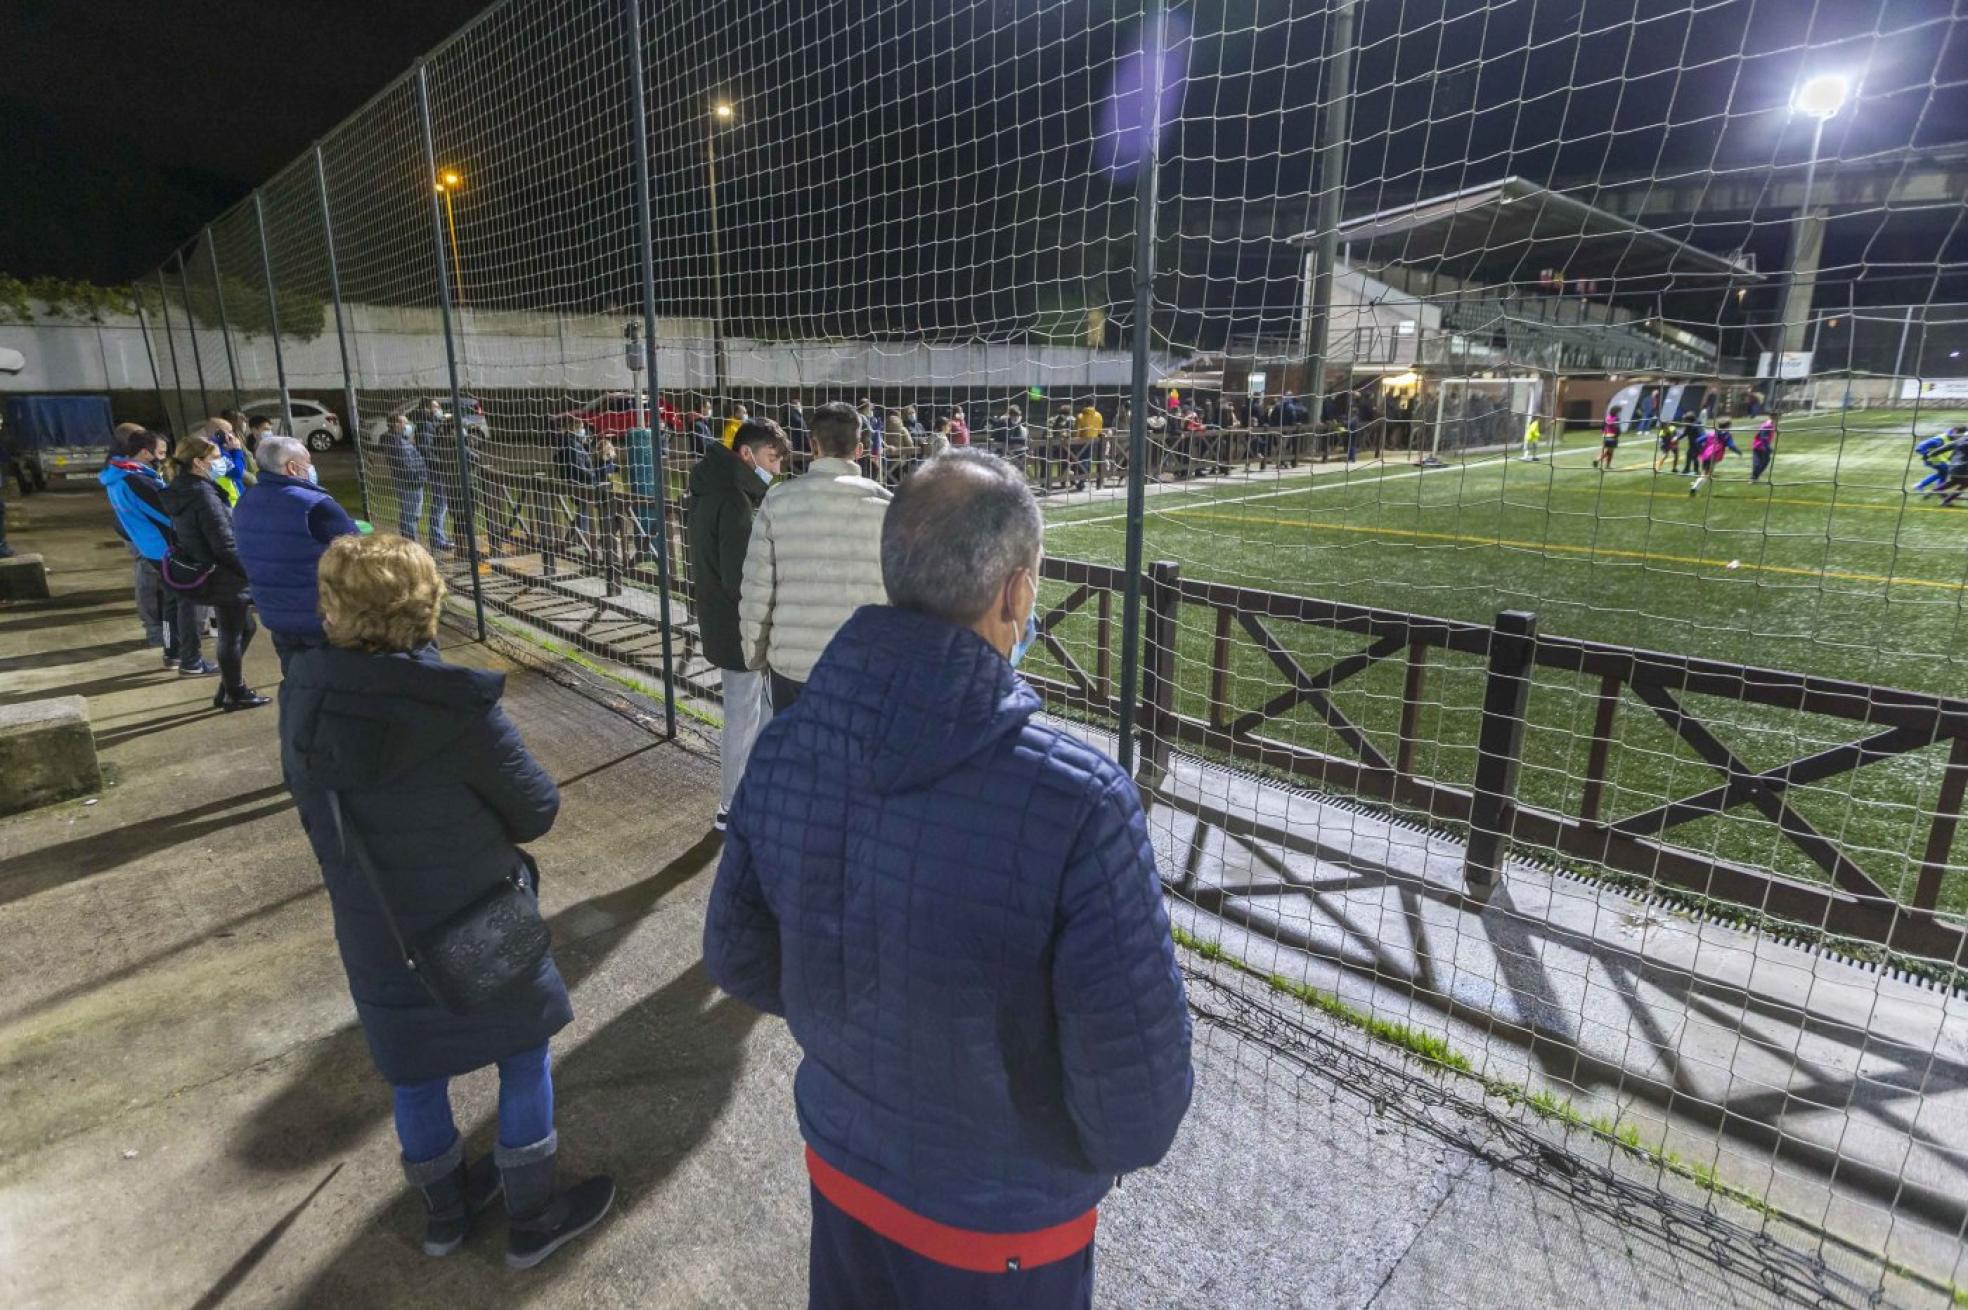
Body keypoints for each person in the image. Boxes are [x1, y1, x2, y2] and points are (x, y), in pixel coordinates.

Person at [705, 450, 1193, 1310]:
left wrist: (859, 1026)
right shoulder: (1079, 803)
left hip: (846, 1164)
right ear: (1015, 594)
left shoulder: (786, 746)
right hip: (1004, 1226)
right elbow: (1137, 1110)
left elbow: (738, 958)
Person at [280, 533, 613, 1269]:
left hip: (377, 925)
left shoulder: (302, 695)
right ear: (424, 603)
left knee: (415, 1068)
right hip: (475, 917)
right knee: (522, 1056)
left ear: (335, 607)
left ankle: (445, 1213)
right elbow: (535, 810)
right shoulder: (455, 706)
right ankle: (532, 1216)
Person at [739, 400, 891, 711]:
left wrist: (754, 653)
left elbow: (757, 587)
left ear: (812, 445)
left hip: (794, 667)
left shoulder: (778, 500)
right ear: (860, 449)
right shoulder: (888, 507)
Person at [687, 418, 790, 831]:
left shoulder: (711, 487)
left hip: (723, 620)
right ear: (746, 454)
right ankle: (731, 806)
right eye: (771, 458)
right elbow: (740, 578)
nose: (777, 469)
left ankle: (752, 791)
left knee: (757, 710)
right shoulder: (735, 500)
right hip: (740, 628)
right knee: (743, 715)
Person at [233, 434, 359, 671]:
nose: (311, 467)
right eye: (308, 461)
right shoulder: (315, 505)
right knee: (334, 684)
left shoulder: (245, 501)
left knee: (296, 681)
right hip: (320, 617)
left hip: (275, 613)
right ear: (292, 467)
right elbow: (357, 554)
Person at [160, 435, 267, 710]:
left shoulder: (183, 489)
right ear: (198, 462)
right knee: (234, 633)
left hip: (210, 570)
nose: (220, 462)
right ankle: (234, 692)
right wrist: (252, 574)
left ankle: (229, 688)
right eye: (215, 458)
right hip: (222, 575)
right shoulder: (202, 495)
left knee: (244, 628)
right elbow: (224, 544)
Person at [100, 426, 208, 672]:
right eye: (160, 452)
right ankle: (190, 658)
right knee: (186, 602)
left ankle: (172, 653)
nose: (163, 457)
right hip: (165, 548)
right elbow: (168, 514)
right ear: (144, 452)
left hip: (150, 547)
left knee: (171, 602)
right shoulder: (136, 480)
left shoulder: (117, 474)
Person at [413, 401, 457, 552]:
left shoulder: (435, 424)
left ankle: (439, 537)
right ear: (429, 409)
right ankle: (437, 539)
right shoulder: (426, 425)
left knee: (441, 504)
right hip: (436, 470)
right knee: (440, 504)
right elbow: (427, 451)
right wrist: (443, 462)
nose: (439, 410)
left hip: (439, 469)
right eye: (436, 407)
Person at [382, 412, 432, 543]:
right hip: (411, 484)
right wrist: (420, 477)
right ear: (396, 424)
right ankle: (410, 545)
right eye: (405, 423)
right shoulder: (397, 442)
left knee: (409, 515)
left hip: (408, 482)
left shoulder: (398, 440)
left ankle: (407, 544)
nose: (408, 425)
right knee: (411, 516)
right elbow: (406, 465)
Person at [1688, 419, 1737, 495]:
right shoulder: (1727, 435)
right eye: (1729, 426)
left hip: (1706, 455)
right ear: (1727, 426)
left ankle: (1695, 485)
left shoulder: (1712, 433)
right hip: (1713, 456)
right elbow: (1731, 445)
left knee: (1705, 473)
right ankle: (1694, 488)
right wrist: (1738, 452)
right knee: (1705, 475)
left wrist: (1701, 449)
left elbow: (1698, 440)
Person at [1073, 400, 1103, 490]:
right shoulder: (1098, 415)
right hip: (1094, 440)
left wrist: (1074, 440)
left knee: (1081, 459)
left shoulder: (1080, 416)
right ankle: (1085, 479)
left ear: (1084, 404)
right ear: (1094, 404)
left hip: (1082, 441)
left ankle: (1082, 480)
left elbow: (1076, 432)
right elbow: (1099, 430)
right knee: (1088, 459)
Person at [1749, 415, 1777, 484]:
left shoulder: (1770, 425)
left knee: (1763, 462)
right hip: (1760, 446)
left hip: (1761, 446)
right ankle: (1753, 478)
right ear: (1775, 417)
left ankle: (1754, 477)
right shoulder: (1767, 426)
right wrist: (1768, 448)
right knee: (1759, 463)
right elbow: (1763, 438)